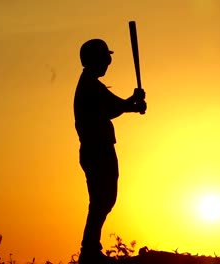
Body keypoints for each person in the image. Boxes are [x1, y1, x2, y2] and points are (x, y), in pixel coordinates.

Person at [74, 39, 147, 264]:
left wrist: (133, 103)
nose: (108, 63)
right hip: (97, 151)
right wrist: (133, 104)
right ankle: (89, 251)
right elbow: (114, 107)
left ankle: (90, 250)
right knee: (102, 200)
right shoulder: (90, 86)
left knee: (103, 199)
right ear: (97, 60)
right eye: (106, 59)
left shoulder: (90, 85)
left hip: (97, 149)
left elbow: (113, 108)